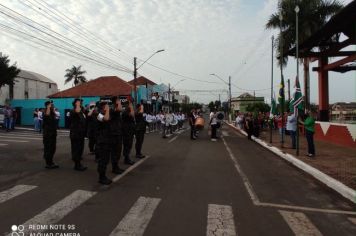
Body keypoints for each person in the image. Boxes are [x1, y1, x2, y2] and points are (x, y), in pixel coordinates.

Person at [96, 101, 113, 185]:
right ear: (103, 108)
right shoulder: (99, 115)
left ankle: (103, 176)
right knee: (102, 159)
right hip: (102, 141)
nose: (108, 107)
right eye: (106, 106)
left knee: (106, 159)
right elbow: (105, 119)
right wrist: (108, 110)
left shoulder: (105, 114)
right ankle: (101, 177)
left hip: (106, 139)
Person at [69, 98, 87, 171]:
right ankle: (77, 165)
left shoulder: (81, 111)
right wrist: (77, 104)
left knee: (80, 149)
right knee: (76, 149)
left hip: (81, 133)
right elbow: (77, 111)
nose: (80, 103)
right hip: (75, 134)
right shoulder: (73, 110)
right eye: (79, 102)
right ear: (75, 103)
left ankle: (79, 163)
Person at [110, 96, 125, 173]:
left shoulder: (115, 107)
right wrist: (119, 103)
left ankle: (116, 166)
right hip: (114, 133)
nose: (120, 101)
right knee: (115, 151)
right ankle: (114, 168)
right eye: (118, 100)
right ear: (115, 101)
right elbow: (120, 109)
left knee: (118, 151)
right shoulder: (112, 108)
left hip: (118, 132)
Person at [42, 100, 59, 169]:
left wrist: (52, 109)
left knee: (52, 148)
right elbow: (47, 116)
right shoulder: (46, 112)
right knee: (48, 148)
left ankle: (51, 162)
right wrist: (48, 107)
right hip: (48, 134)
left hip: (52, 133)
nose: (53, 106)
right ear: (47, 106)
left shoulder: (52, 112)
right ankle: (48, 163)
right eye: (51, 105)